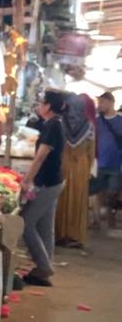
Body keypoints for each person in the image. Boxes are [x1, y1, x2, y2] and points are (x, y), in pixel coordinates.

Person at [21, 89, 67, 287]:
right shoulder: (55, 124)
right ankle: (43, 269)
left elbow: (41, 156)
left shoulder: (52, 127)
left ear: (48, 106)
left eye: (41, 102)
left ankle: (44, 266)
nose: (39, 105)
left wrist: (26, 179)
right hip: (54, 180)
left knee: (26, 222)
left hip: (48, 183)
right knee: (45, 226)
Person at [54, 93, 95, 248]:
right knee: (78, 199)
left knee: (62, 198)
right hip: (81, 165)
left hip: (64, 163)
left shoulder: (61, 122)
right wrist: (88, 166)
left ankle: (60, 234)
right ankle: (75, 236)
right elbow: (91, 149)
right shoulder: (89, 125)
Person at [90, 92, 122, 227]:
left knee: (112, 193)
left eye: (102, 102)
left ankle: (110, 215)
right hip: (99, 162)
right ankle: (96, 220)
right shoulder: (96, 120)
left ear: (111, 102)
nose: (100, 105)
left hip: (116, 163)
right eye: (99, 102)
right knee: (96, 192)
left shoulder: (120, 119)